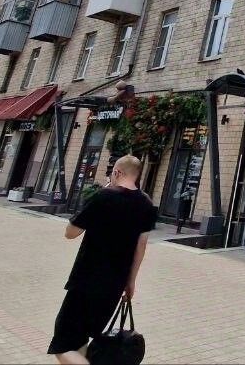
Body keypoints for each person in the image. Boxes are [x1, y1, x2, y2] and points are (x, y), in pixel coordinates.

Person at [48, 155, 158, 365]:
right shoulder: (147, 205)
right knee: (82, 339)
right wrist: (131, 282)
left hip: (85, 280)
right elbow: (141, 246)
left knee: (63, 345)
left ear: (117, 172)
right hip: (114, 286)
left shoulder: (102, 197)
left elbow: (70, 233)